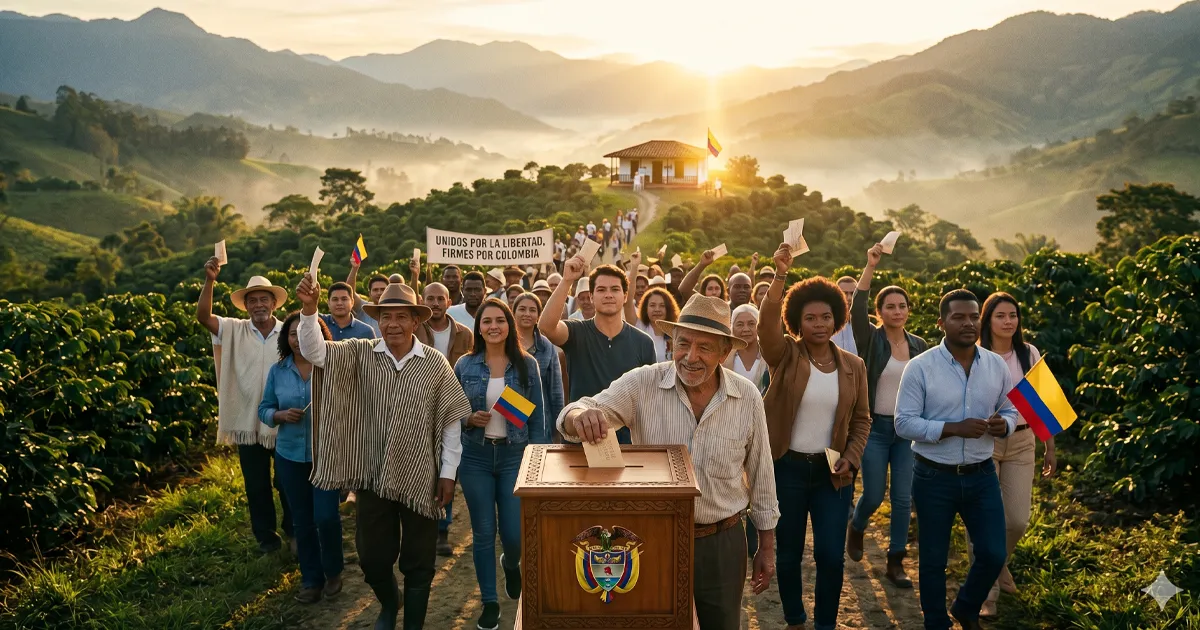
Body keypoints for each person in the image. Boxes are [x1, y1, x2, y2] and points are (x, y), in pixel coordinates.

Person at [558, 295, 779, 630]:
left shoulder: (747, 396)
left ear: (724, 353)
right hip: (652, 540)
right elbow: (577, 411)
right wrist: (579, 415)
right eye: (683, 343)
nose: (690, 357)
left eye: (704, 348)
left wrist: (767, 546)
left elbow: (761, 472)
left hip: (721, 542)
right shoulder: (642, 382)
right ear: (671, 343)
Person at [296, 278, 472, 630]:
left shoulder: (435, 364)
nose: (393, 324)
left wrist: (448, 473)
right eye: (386, 316)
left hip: (421, 476)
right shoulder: (360, 353)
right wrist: (309, 310)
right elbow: (315, 352)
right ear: (377, 320)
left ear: (415, 321)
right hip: (373, 473)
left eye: (401, 316)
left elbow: (451, 420)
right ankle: (391, 603)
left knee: (419, 563)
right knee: (372, 560)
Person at [758, 243, 872, 630]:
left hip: (832, 474)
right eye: (810, 318)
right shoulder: (785, 356)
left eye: (826, 317)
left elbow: (862, 420)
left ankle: (825, 624)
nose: (819, 324)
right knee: (789, 554)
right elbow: (766, 325)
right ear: (797, 321)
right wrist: (780, 275)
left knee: (830, 556)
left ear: (837, 319)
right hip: (787, 469)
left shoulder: (853, 366)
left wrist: (851, 457)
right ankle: (795, 619)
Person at [895, 289, 1019, 630]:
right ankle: (936, 623)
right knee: (934, 559)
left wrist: (1005, 424)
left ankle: (966, 606)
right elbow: (903, 423)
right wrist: (952, 428)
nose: (969, 323)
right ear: (942, 323)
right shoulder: (920, 368)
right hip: (933, 476)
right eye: (959, 317)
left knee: (993, 553)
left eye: (974, 317)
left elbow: (1010, 409)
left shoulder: (995, 365)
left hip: (982, 475)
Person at [453, 299, 546, 630]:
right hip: (475, 457)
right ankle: (489, 603)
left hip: (514, 456)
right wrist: (468, 419)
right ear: (478, 327)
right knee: (483, 532)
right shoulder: (464, 365)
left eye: (500, 320)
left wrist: (537, 462)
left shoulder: (527, 365)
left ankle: (511, 563)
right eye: (487, 321)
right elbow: (451, 413)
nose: (493, 326)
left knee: (513, 534)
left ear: (509, 325)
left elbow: (537, 418)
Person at [845, 244, 929, 588]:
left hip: (908, 431)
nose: (897, 311)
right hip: (876, 429)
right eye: (890, 306)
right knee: (875, 493)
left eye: (902, 305)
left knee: (903, 498)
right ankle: (857, 524)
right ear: (879, 312)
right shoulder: (870, 339)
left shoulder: (920, 346)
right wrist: (870, 266)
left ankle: (896, 561)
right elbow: (857, 307)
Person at [195, 261, 293, 553]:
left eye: (264, 299)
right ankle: (267, 539)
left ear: (274, 303)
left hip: (282, 420)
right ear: (246, 306)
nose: (259, 305)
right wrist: (210, 281)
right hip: (247, 420)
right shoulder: (234, 329)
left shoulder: (288, 331)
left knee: (287, 481)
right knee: (256, 484)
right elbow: (203, 316)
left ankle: (294, 531)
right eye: (253, 301)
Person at [977, 292, 1055, 617]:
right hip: (984, 442)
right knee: (984, 519)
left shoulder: (1028, 353)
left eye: (1013, 315)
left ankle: (998, 563)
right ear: (988, 320)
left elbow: (1041, 402)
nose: (1008, 321)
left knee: (1017, 520)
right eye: (1000, 316)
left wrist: (1050, 447)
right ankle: (986, 596)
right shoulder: (976, 354)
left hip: (1022, 442)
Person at [258, 313, 344, 603]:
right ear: (286, 338)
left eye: (304, 332)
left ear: (318, 335)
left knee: (327, 517)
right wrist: (279, 415)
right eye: (292, 334)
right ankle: (311, 580)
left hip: (326, 455)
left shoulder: (330, 366)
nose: (298, 339)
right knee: (302, 521)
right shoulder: (278, 371)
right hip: (290, 456)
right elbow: (264, 409)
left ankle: (333, 571)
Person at [538, 257, 656, 444]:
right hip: (580, 442)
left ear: (625, 296)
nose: (608, 295)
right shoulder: (576, 332)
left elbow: (650, 401)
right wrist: (567, 280)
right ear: (591, 297)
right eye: (601, 290)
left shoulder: (643, 342)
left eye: (615, 289)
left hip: (628, 445)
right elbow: (546, 326)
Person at [415, 282, 474, 556]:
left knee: (448, 468)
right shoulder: (414, 330)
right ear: (423, 301)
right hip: (420, 408)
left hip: (452, 409)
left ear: (449, 302)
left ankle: (442, 530)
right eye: (430, 298)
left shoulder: (465, 334)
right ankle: (420, 523)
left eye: (440, 298)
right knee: (422, 468)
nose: (436, 303)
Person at [513, 293, 567, 440]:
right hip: (508, 422)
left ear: (538, 315)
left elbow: (556, 391)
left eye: (532, 310)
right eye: (522, 309)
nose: (527, 314)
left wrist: (557, 429)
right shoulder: (503, 344)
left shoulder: (547, 347)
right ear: (513, 313)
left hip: (541, 422)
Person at [725, 304, 769, 395]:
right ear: (732, 328)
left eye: (751, 324)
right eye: (740, 325)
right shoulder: (724, 358)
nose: (746, 329)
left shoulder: (769, 356)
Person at [347, 264, 390, 336]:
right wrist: (354, 269)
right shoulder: (364, 308)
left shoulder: (396, 309)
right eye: (375, 290)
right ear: (370, 293)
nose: (379, 293)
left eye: (383, 289)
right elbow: (349, 292)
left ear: (389, 291)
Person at [831, 276, 859, 355]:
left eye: (853, 293)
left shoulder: (864, 326)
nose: (849, 298)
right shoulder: (826, 324)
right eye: (844, 293)